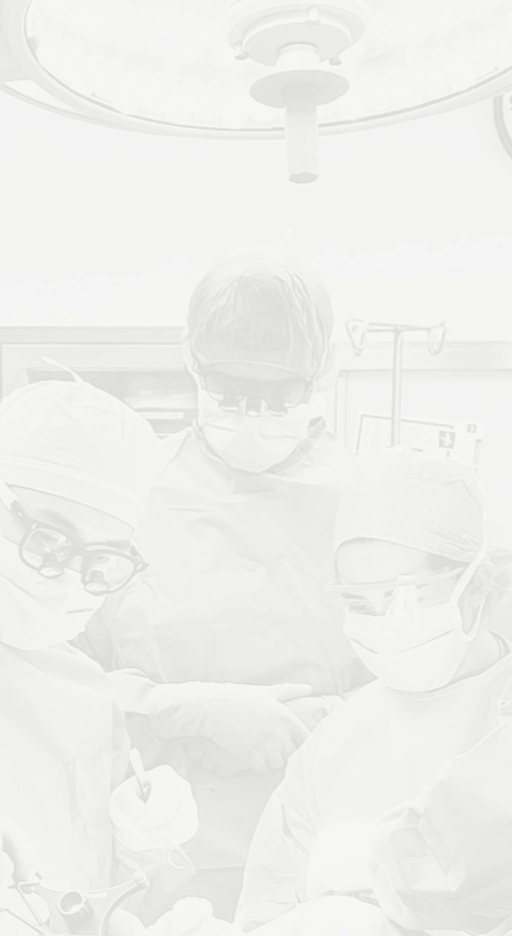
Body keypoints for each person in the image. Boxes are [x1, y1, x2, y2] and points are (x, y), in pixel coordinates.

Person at [0, 379, 238, 936]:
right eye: (50, 540)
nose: (66, 578)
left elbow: (84, 890)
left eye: (100, 561)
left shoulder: (84, 692)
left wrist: (138, 850)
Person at [87, 257, 369, 920]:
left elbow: (444, 676)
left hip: (329, 855)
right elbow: (53, 677)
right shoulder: (128, 495)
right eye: (229, 392)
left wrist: (344, 720)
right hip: (160, 853)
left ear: (325, 370)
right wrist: (176, 707)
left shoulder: (372, 501)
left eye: (277, 397)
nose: (251, 415)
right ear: (191, 361)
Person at [236, 451, 512, 935]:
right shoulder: (332, 745)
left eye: (405, 597)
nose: (381, 623)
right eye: (359, 603)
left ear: (476, 585)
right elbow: (263, 912)